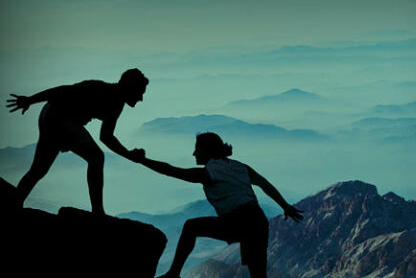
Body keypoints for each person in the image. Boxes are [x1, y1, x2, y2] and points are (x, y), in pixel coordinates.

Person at [135, 132, 304, 278]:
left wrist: (142, 160)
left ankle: (173, 274)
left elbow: (171, 170)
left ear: (207, 151)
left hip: (237, 220)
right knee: (258, 274)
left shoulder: (208, 173)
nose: (194, 153)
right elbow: (264, 184)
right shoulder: (240, 167)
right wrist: (285, 206)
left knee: (191, 227)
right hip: (258, 221)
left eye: (197, 149)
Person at [6, 68, 149, 214]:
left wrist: (129, 155)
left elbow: (106, 137)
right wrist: (30, 99)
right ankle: (98, 211)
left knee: (38, 170)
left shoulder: (115, 103)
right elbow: (61, 91)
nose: (141, 98)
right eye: (140, 92)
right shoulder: (99, 89)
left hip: (51, 115)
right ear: (130, 88)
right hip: (59, 118)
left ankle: (14, 204)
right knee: (96, 158)